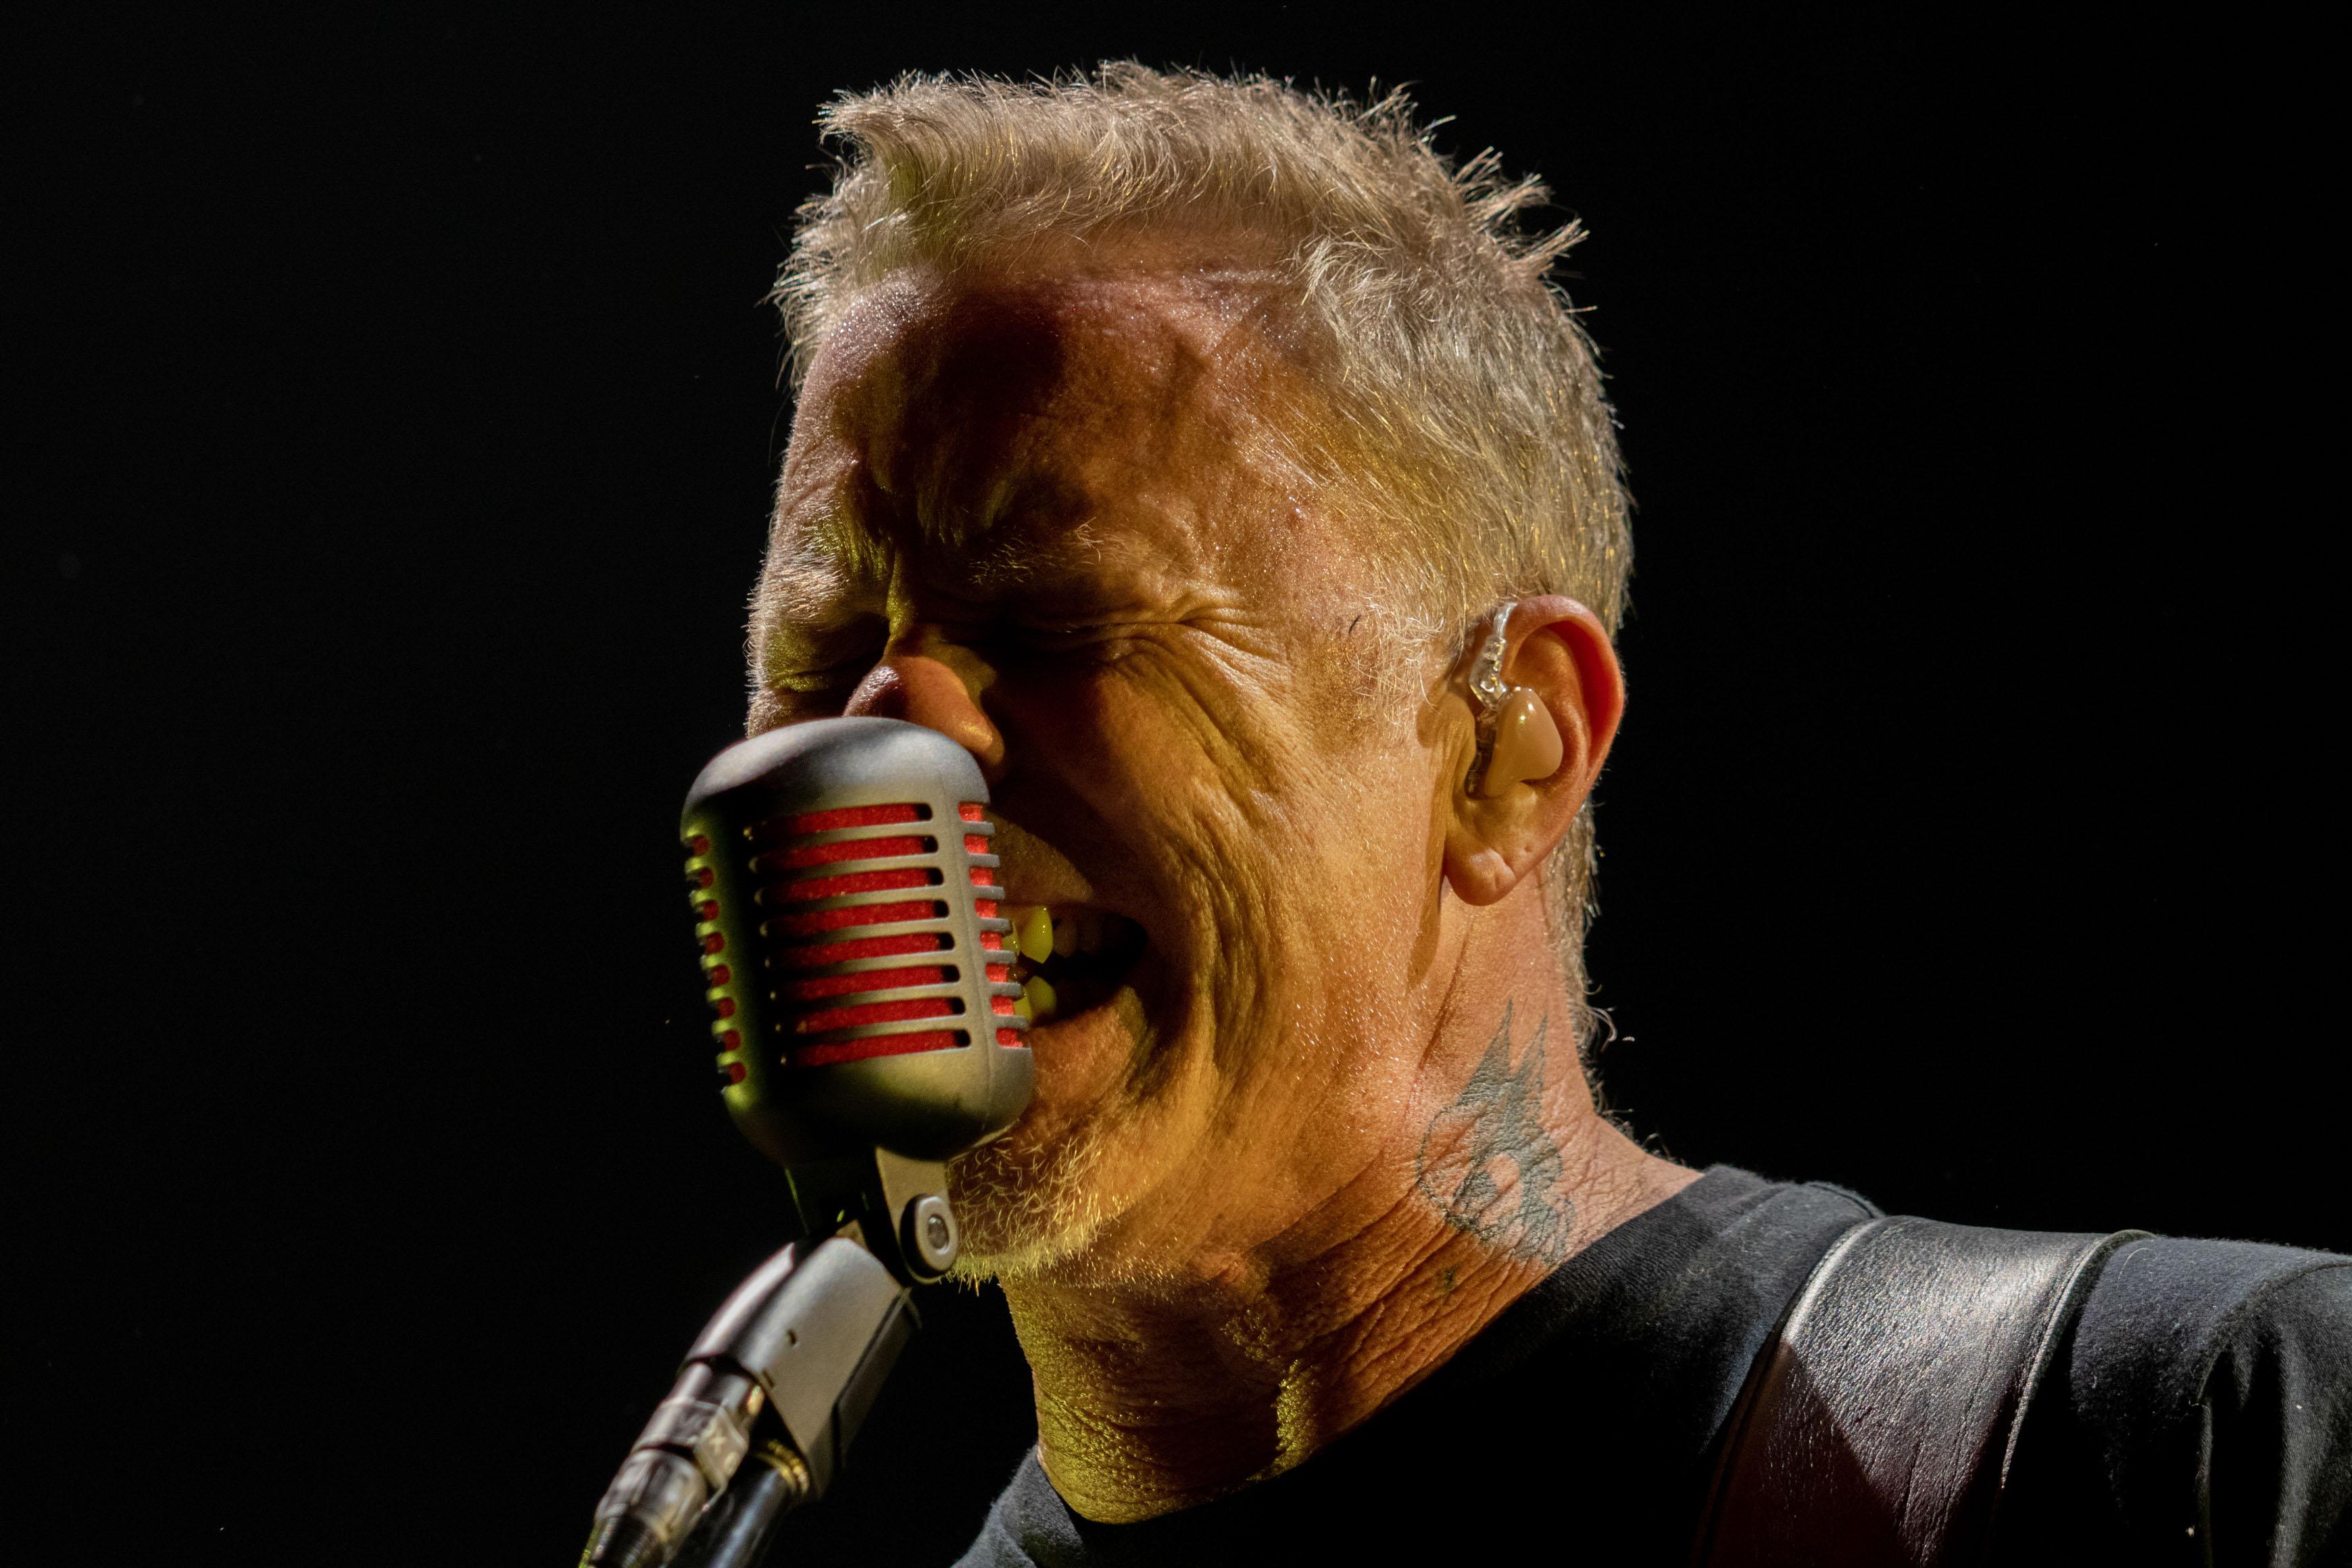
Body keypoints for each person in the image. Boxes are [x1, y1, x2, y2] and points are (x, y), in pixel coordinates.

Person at [741, 65, 2351, 1564]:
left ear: (1506, 749)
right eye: (818, 649)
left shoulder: (2210, 1436)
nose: (882, 733)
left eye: (1057, 615)